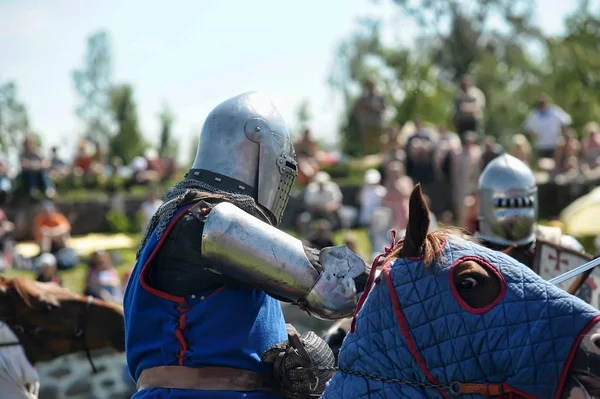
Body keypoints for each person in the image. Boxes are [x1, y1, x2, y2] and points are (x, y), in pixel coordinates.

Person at [123, 92, 367, 399]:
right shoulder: (206, 222)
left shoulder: (181, 221)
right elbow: (329, 286)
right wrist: (393, 276)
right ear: (258, 149)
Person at [476, 153, 589, 270]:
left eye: (521, 203)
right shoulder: (470, 257)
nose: (515, 216)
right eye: (504, 204)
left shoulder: (559, 245)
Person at [524, 94, 572, 159]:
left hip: (555, 144)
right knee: (544, 164)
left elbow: (566, 120)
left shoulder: (555, 111)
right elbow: (528, 127)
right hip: (541, 145)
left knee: (555, 164)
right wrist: (534, 136)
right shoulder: (534, 114)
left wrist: (562, 133)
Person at [356, 78, 386, 155]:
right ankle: (366, 158)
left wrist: (373, 107)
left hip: (378, 124)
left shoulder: (380, 97)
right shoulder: (363, 98)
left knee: (380, 142)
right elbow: (359, 110)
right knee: (366, 144)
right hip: (367, 124)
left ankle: (381, 157)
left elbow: (384, 109)